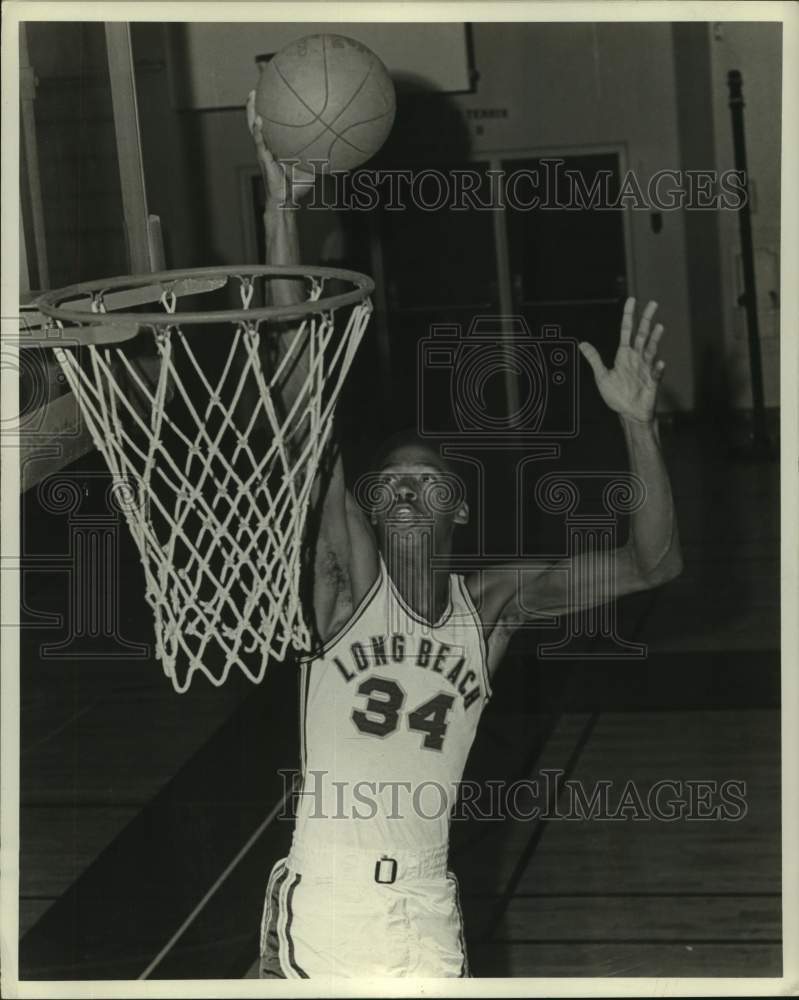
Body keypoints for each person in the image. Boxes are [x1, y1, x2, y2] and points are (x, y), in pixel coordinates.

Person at [246, 95, 683, 979]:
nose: (405, 486)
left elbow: (652, 565)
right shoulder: (343, 588)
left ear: (458, 509)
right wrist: (280, 211)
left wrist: (639, 428)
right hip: (323, 899)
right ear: (366, 508)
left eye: (427, 479)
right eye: (390, 480)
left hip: (422, 903)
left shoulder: (491, 606)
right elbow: (300, 395)